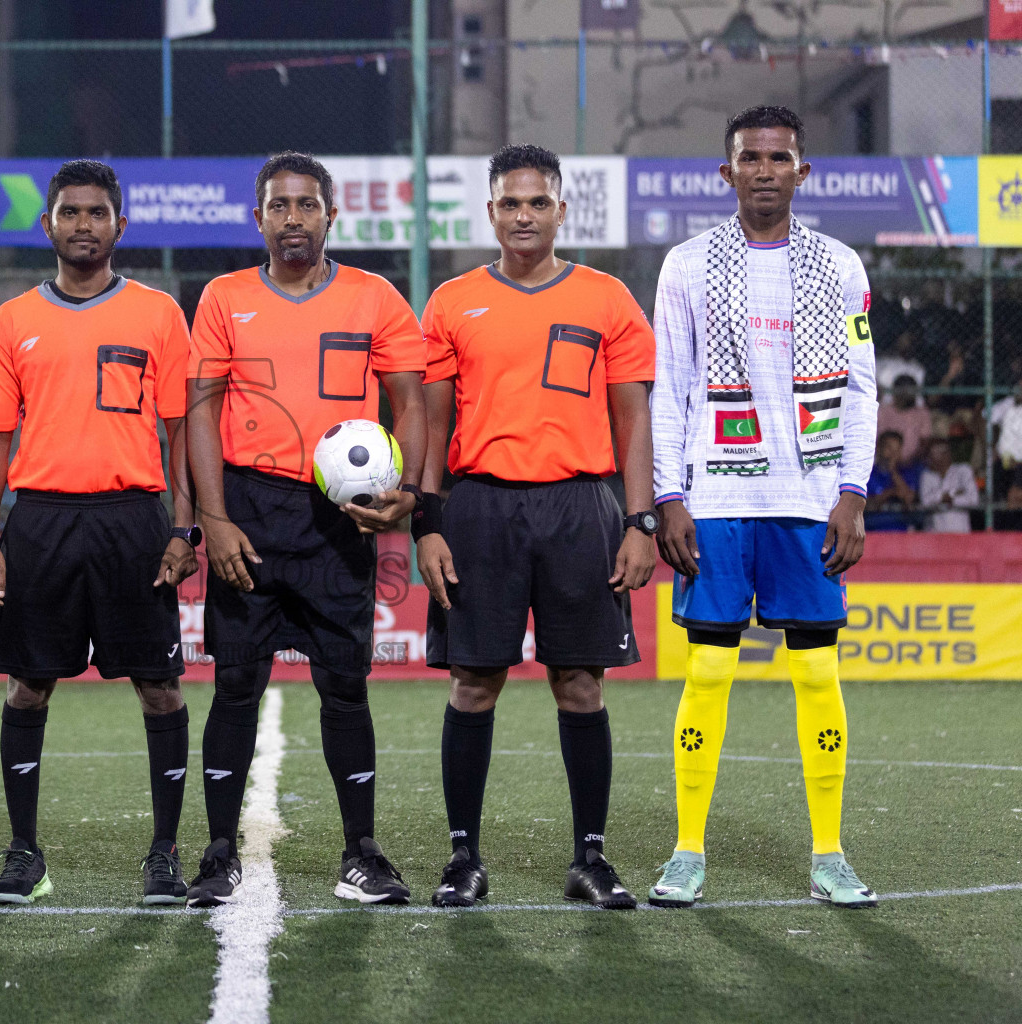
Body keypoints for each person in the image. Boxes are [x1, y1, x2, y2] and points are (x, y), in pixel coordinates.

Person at [649, 105, 878, 909]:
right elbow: (669, 388)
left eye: (780, 157)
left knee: (817, 669)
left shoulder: (842, 267)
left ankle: (829, 853)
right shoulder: (684, 265)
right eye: (750, 157)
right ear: (727, 171)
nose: (765, 169)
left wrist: (852, 491)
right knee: (708, 668)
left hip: (809, 497)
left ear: (802, 172)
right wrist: (668, 495)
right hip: (714, 493)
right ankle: (686, 851)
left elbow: (860, 388)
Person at [416, 144, 656, 910]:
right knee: (474, 682)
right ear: (491, 212)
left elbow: (633, 418)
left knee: (580, 684)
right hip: (480, 505)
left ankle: (591, 859)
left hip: (582, 505)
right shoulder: (452, 302)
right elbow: (431, 421)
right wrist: (428, 521)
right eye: (510, 203)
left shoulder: (608, 298)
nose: (524, 215)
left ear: (561, 209)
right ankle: (463, 859)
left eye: (538, 202)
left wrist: (641, 519)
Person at [184, 151, 427, 907]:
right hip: (249, 512)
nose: (294, 217)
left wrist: (409, 494)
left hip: (337, 515)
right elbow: (200, 412)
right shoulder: (223, 297)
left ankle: (361, 851)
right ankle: (219, 853)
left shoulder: (375, 297)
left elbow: (412, 405)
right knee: (234, 687)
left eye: (307, 205)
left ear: (330, 216)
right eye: (280, 205)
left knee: (345, 687)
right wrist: (213, 519)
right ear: (258, 219)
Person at [0, 159, 198, 906]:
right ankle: (23, 852)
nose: (83, 225)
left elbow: (181, 434)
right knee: (28, 687)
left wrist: (185, 530)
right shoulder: (11, 323)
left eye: (97, 214)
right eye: (70, 213)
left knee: (159, 689)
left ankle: (163, 853)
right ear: (49, 225)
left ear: (119, 226)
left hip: (134, 521)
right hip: (40, 522)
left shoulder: (160, 314)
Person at [864, 430, 921, 532]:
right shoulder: (868, 474)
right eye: (889, 448)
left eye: (897, 449)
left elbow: (909, 498)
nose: (893, 453)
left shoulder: (907, 473)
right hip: (873, 533)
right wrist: (891, 493)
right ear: (879, 448)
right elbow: (867, 504)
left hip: (901, 533)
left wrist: (892, 471)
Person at [919, 438, 978, 533]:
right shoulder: (927, 476)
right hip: (935, 534)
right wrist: (953, 493)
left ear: (947, 453)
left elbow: (973, 499)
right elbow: (925, 501)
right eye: (931, 453)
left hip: (960, 532)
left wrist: (946, 498)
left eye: (938, 452)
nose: (932, 457)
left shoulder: (963, 470)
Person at [876, 374, 931, 465]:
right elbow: (877, 439)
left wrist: (911, 461)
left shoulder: (922, 413)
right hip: (884, 461)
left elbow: (925, 442)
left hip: (911, 463)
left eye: (911, 391)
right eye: (905, 390)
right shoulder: (884, 411)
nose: (908, 395)